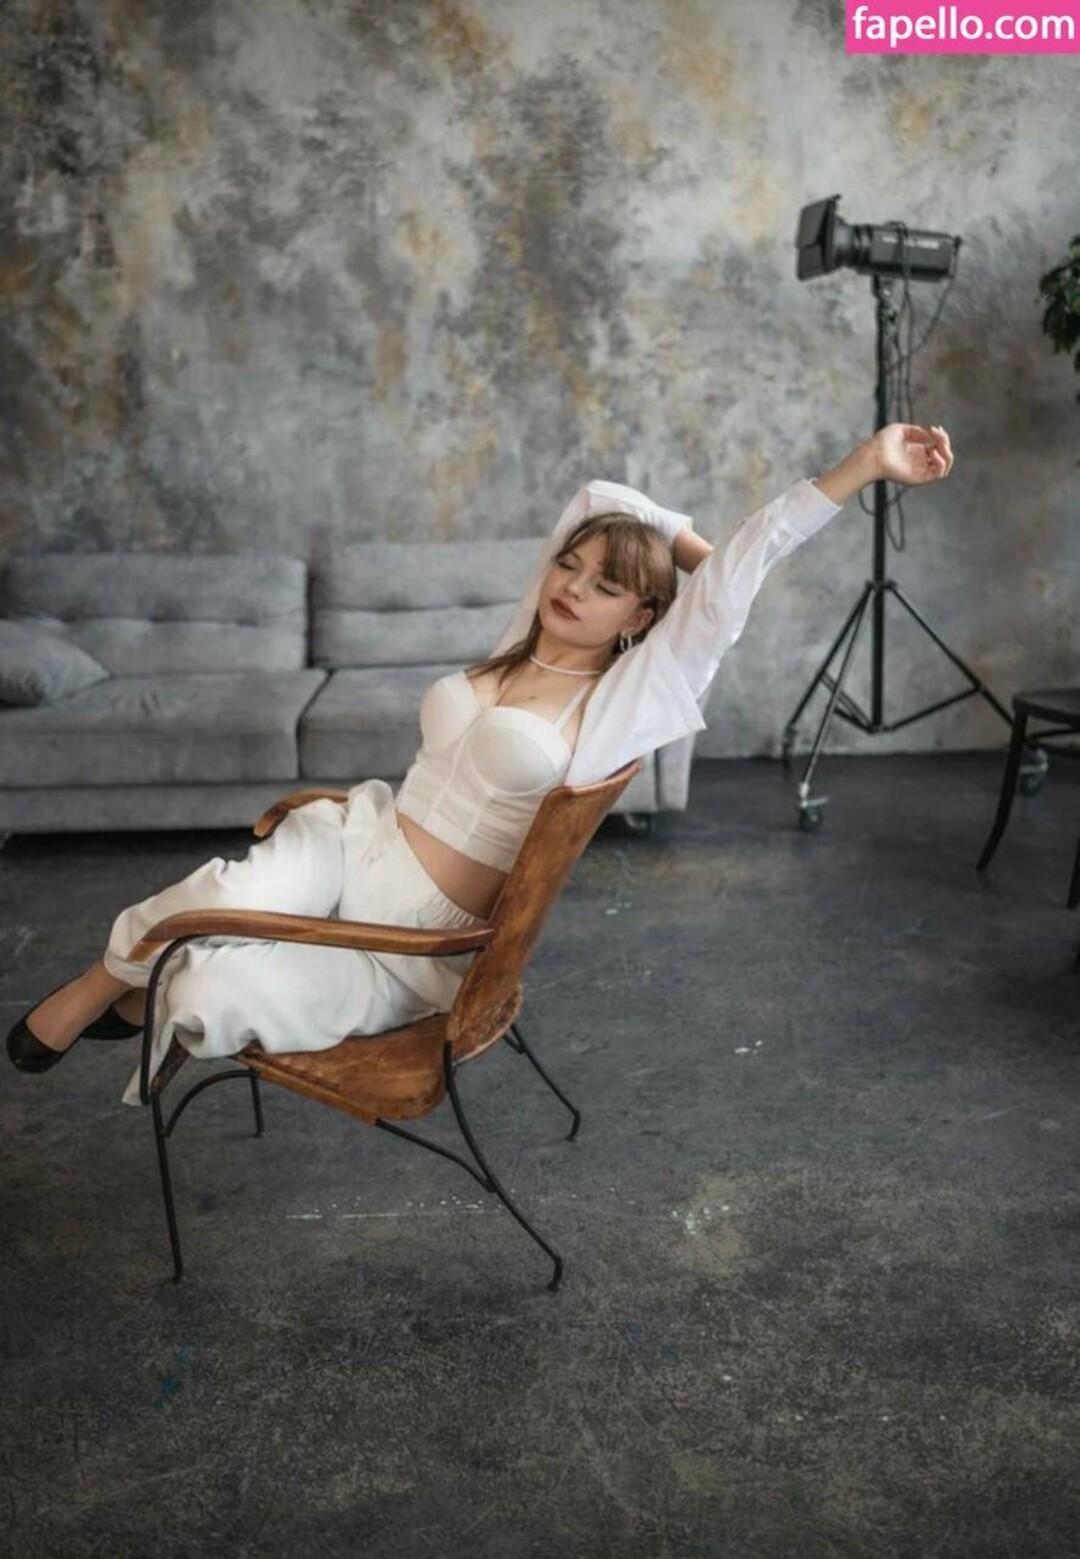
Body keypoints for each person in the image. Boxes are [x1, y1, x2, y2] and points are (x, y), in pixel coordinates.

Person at [6, 422, 954, 1101]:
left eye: (608, 586)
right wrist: (639, 540)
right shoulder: (518, 641)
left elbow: (735, 576)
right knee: (215, 890)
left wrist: (863, 466)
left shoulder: (618, 705)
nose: (571, 587)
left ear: (644, 617)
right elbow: (602, 497)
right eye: (569, 566)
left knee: (203, 985)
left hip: (411, 942)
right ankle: (99, 984)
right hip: (359, 838)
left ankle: (145, 991)